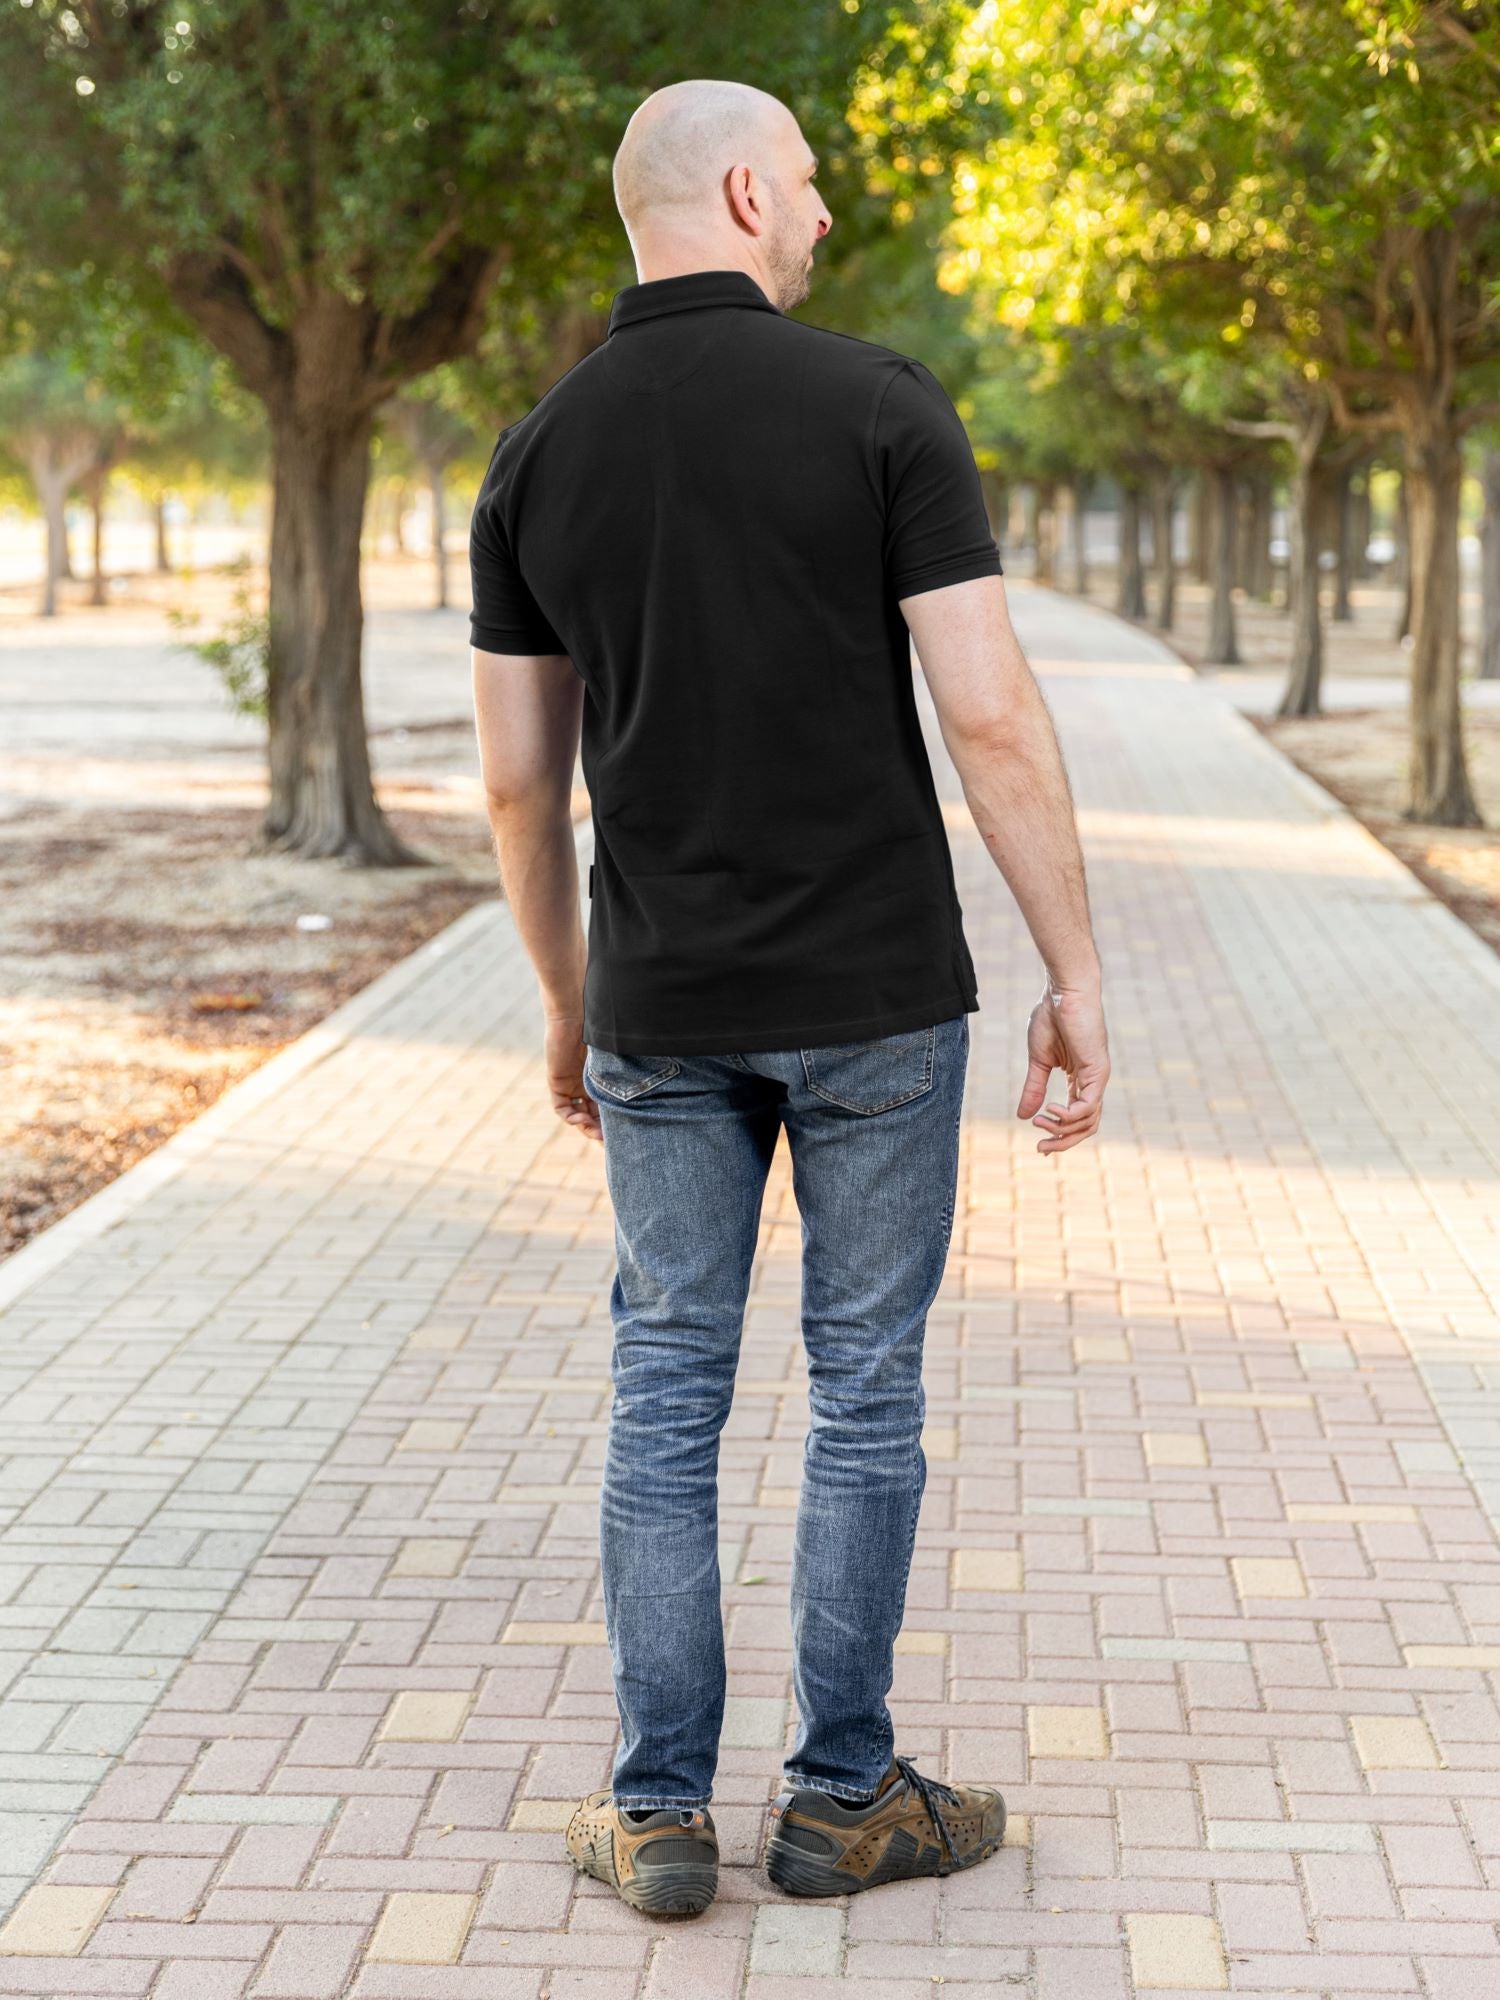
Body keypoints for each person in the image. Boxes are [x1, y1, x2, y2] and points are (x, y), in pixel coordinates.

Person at [469, 77, 1110, 1918]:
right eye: (812, 186)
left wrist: (565, 995)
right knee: (863, 1390)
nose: (824, 218)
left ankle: (659, 1812)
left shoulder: (539, 451)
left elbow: (522, 780)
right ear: (745, 191)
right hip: (879, 998)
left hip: (662, 999)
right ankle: (842, 1800)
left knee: (665, 1386)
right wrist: (1071, 972)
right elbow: (988, 712)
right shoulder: (882, 406)